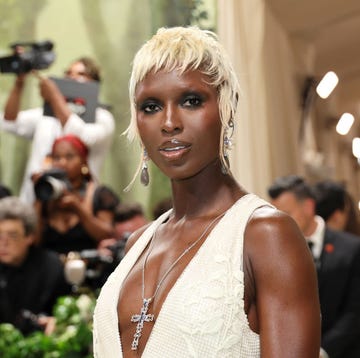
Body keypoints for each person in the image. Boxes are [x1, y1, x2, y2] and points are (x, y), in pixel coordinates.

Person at [93, 26, 320, 357]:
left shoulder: (265, 235)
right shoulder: (136, 245)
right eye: (151, 106)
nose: (169, 122)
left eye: (191, 100)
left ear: (227, 109)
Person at [268, 175, 360, 358]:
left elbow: (355, 311)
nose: (281, 223)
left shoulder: (351, 249)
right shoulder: (274, 252)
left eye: (287, 213)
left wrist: (323, 350)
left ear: (308, 207)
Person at [0, 56, 115, 204]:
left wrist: (54, 96)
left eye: (81, 74)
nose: (72, 77)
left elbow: (83, 137)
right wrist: (19, 82)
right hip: (35, 201)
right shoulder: (47, 115)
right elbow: (10, 121)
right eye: (68, 73)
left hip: (78, 204)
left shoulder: (103, 117)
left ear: (95, 82)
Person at [35, 134, 119, 255]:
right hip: (50, 271)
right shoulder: (46, 195)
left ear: (83, 161)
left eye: (69, 157)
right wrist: (39, 195)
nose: (62, 163)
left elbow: (108, 235)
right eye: (57, 158)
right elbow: (33, 241)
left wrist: (78, 209)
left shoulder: (99, 194)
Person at [0, 196, 70, 335]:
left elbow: (64, 313)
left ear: (30, 237)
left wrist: (56, 321)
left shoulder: (51, 267)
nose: (3, 243)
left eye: (12, 236)